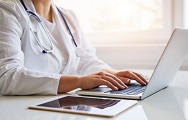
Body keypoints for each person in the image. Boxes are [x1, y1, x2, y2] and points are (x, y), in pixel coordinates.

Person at [0, 0, 148, 95]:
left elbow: (85, 60)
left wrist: (115, 74)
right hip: (23, 111)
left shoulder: (67, 16)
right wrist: (79, 81)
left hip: (60, 106)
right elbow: (7, 77)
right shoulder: (7, 10)